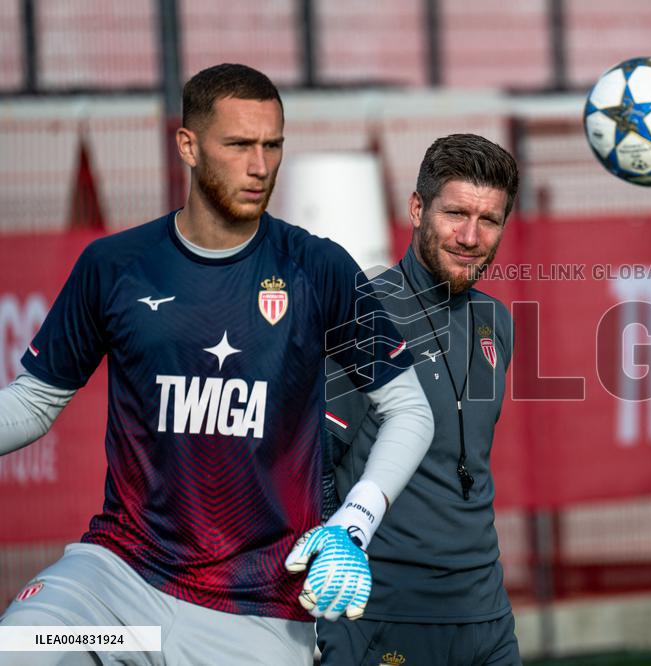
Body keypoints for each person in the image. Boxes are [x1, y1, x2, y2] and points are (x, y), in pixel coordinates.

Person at [0, 63, 434, 664]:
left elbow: (410, 409)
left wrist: (352, 526)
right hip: (120, 588)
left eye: (272, 146)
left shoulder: (320, 269)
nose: (260, 167)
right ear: (189, 146)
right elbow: (32, 402)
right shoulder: (115, 266)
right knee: (24, 648)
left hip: (255, 617)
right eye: (238, 145)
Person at [317, 134, 522, 665]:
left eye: (489, 220)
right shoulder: (362, 313)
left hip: (487, 615)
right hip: (384, 616)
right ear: (416, 208)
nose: (471, 236)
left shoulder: (496, 323)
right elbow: (311, 464)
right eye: (455, 213)